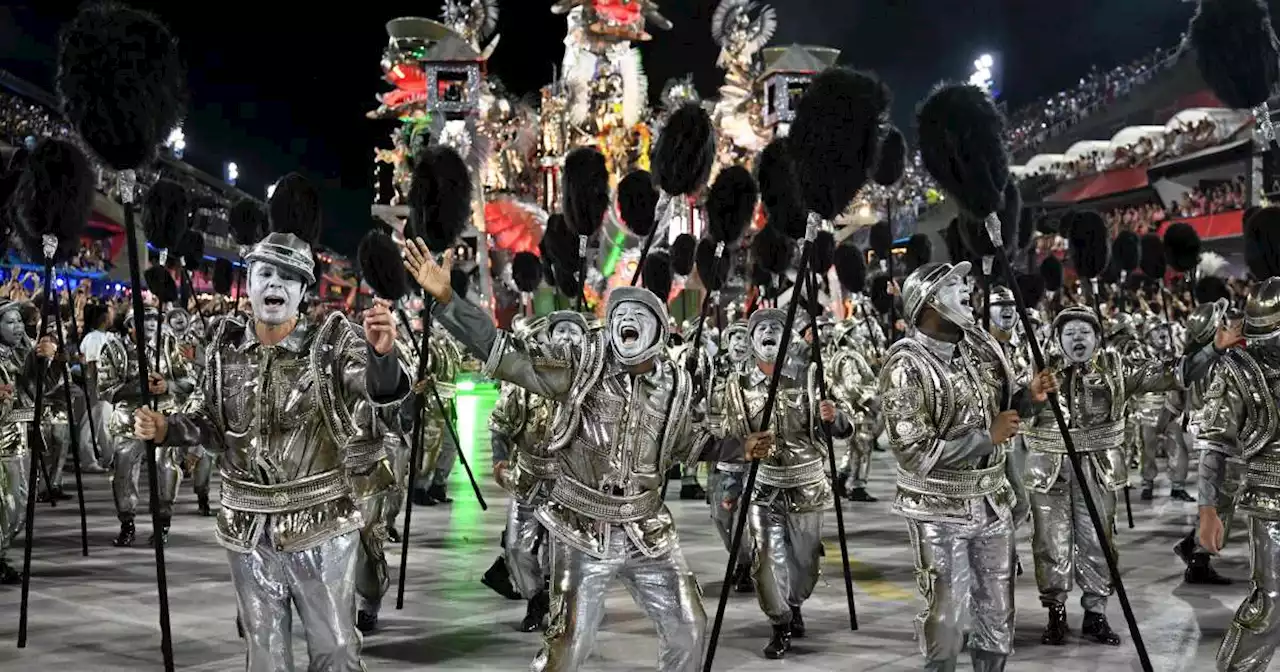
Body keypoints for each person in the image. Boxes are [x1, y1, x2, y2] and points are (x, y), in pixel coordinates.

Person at [404, 239, 707, 672]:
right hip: (582, 528)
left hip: (648, 530)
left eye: (638, 316)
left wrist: (739, 446)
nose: (626, 321)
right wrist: (450, 299)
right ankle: (535, 598)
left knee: (690, 628)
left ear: (659, 332)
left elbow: (689, 445)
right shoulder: (580, 368)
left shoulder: (676, 385)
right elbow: (503, 352)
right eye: (618, 314)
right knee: (565, 648)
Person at [134, 228, 409, 672]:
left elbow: (378, 388)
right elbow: (209, 424)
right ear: (250, 282)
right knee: (264, 651)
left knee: (337, 647)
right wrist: (166, 428)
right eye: (265, 274)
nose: (274, 285)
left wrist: (382, 355)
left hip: (320, 521)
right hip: (247, 526)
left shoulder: (332, 343)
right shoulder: (225, 348)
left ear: (303, 291)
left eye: (288, 278)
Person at [1021, 307, 1235, 646]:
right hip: (1050, 472)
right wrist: (1031, 396)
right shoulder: (1037, 368)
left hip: (1099, 469)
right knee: (1050, 542)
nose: (1078, 339)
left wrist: (1213, 349)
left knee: (1099, 541)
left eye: (1085, 332)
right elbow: (1013, 409)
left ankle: (1096, 613)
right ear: (1058, 339)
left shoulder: (1116, 368)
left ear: (1098, 337)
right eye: (1070, 333)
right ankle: (1055, 612)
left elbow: (1173, 374)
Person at [879, 262, 1055, 672]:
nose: (966, 291)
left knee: (997, 614)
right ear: (929, 303)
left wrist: (1030, 395)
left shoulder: (980, 347)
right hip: (938, 509)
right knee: (948, 620)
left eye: (964, 283)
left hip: (993, 502)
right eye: (954, 285)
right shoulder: (906, 364)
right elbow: (913, 452)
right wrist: (986, 438)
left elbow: (1007, 408)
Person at [708, 308, 852, 659]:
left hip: (807, 484)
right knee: (765, 560)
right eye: (762, 328)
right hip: (762, 486)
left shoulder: (809, 376)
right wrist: (729, 488)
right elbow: (731, 438)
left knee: (804, 563)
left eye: (777, 328)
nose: (770, 333)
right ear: (752, 339)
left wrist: (833, 418)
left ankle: (795, 602)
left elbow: (845, 428)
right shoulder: (736, 385)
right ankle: (780, 622)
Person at [1196, 277, 1280, 672]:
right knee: (1270, 601)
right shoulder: (1237, 370)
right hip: (1270, 498)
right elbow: (1216, 444)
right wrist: (1208, 509)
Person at [0, 300, 47, 583]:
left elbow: (39, 392)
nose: (18, 327)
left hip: (19, 437)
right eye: (10, 322)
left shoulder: (21, 354)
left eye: (19, 321)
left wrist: (45, 362)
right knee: (5, 503)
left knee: (19, 502)